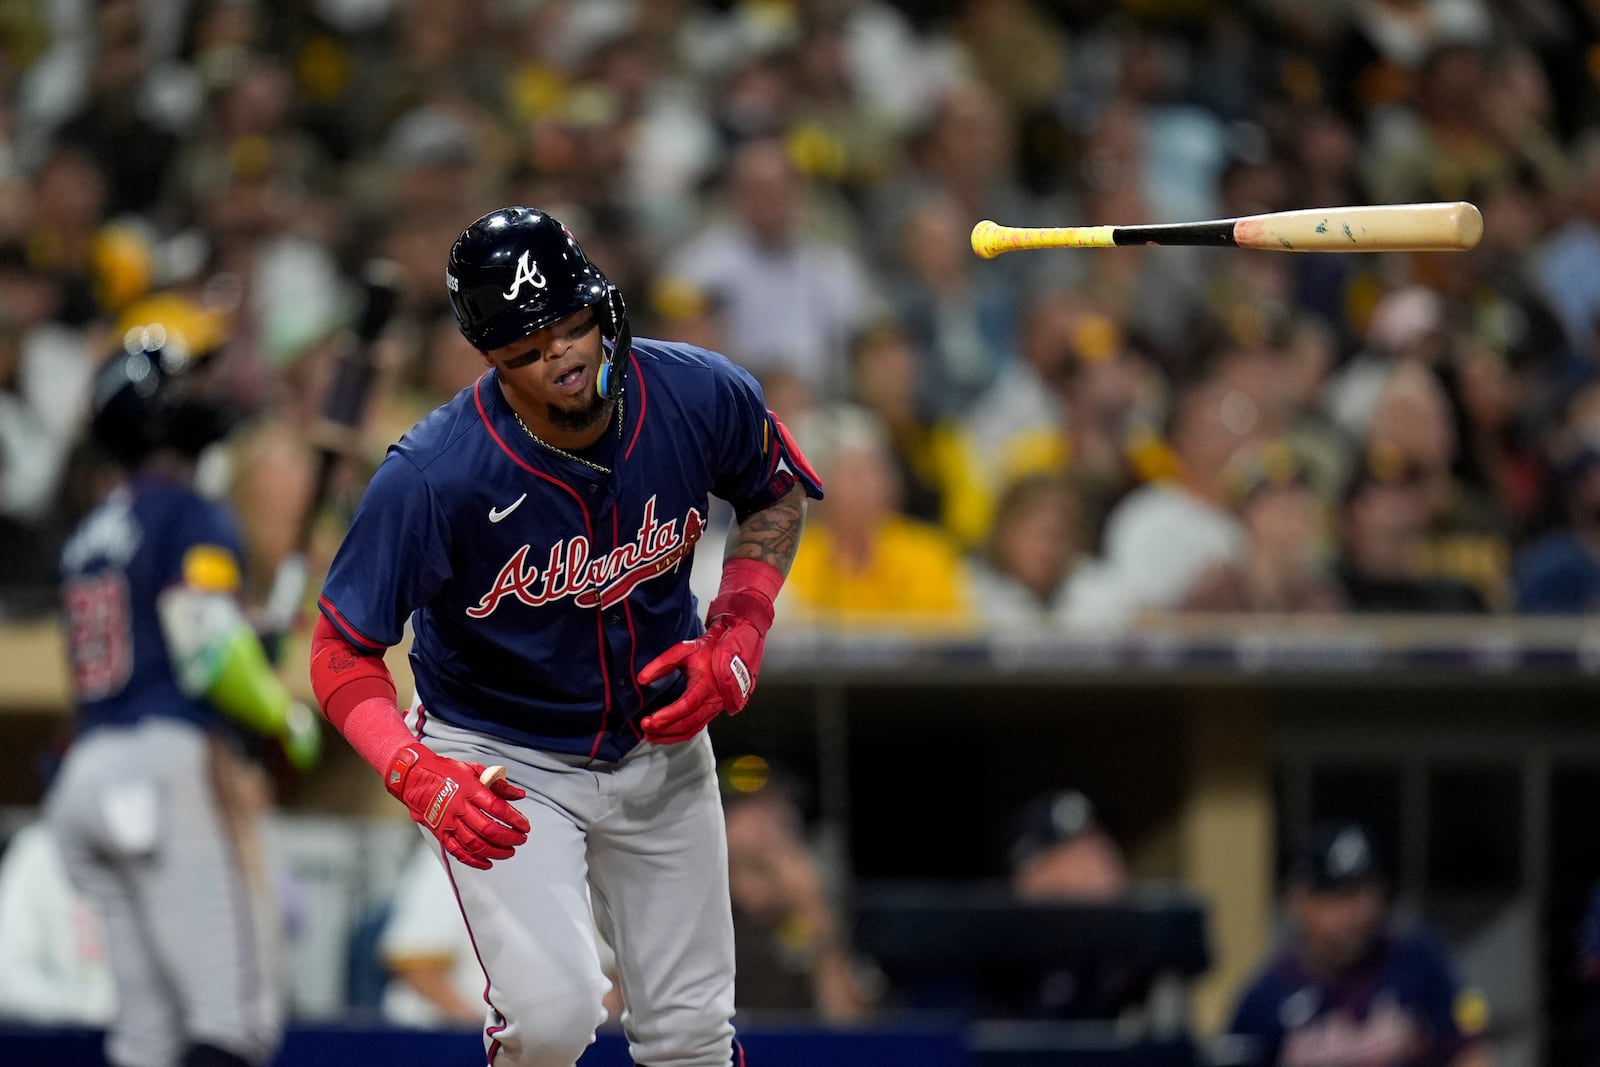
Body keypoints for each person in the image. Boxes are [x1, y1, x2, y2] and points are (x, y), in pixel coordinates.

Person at [308, 206, 823, 1067]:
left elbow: (776, 489)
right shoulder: (434, 473)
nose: (560, 353)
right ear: (489, 357)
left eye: (570, 323)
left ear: (602, 304)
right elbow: (338, 649)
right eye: (526, 345)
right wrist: (414, 770)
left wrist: (739, 630)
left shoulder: (698, 391)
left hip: (660, 741)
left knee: (693, 1035)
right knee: (551, 1018)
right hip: (506, 756)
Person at [43, 300, 323, 1067]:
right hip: (165, 763)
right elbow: (206, 649)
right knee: (234, 1018)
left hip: (90, 770)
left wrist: (252, 634)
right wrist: (280, 714)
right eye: (191, 384)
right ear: (159, 410)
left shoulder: (92, 528)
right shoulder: (189, 510)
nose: (207, 395)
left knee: (146, 1033)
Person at [1227, 820, 1491, 1067]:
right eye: (1343, 896)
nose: (1360, 911)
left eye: (1368, 892)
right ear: (1301, 902)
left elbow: (1469, 1051)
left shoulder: (1418, 961)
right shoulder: (1266, 998)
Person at [0, 819, 116, 1025]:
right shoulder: (39, 848)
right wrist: (92, 1006)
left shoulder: (179, 845)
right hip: (65, 1037)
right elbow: (7, 979)